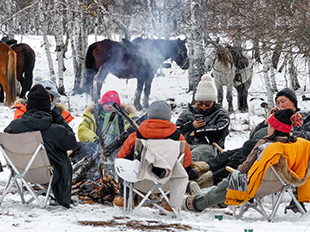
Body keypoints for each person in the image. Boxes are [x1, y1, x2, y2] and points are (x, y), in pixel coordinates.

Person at [182, 108, 304, 212]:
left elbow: (245, 166)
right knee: (227, 181)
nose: (267, 128)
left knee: (228, 181)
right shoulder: (294, 145)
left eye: (269, 125)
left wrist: (234, 173)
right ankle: (217, 201)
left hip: (252, 186)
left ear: (273, 128)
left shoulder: (266, 145)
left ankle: (196, 203)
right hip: (279, 185)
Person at [192, 87, 310, 189]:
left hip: (278, 158)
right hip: (263, 149)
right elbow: (253, 135)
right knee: (232, 153)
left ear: (293, 102)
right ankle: (199, 170)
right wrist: (267, 121)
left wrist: (288, 132)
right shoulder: (275, 120)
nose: (279, 105)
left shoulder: (303, 117)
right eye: (277, 102)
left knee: (244, 151)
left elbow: (304, 138)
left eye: (282, 101)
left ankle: (207, 178)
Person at [4, 84, 77, 208]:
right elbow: (72, 142)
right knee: (61, 153)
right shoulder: (54, 130)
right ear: (47, 107)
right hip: (45, 174)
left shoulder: (13, 127)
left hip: (19, 171)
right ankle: (59, 196)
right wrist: (58, 117)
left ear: (28, 106)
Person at [114, 100, 196, 206]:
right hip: (168, 182)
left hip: (139, 182)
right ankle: (169, 203)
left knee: (126, 165)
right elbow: (186, 162)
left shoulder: (136, 136)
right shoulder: (178, 138)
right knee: (176, 167)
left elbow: (121, 159)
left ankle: (126, 199)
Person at [176, 74, 230, 163]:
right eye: (200, 103)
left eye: (207, 104)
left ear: (214, 101)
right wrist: (190, 126)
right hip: (187, 144)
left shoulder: (221, 113)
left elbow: (219, 130)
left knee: (194, 156)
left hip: (209, 145)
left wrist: (197, 132)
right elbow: (177, 129)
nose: (204, 106)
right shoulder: (188, 112)